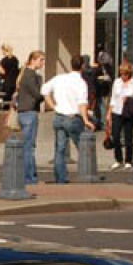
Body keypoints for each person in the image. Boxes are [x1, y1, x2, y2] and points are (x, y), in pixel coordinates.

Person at [41, 53, 93, 184]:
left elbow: (44, 90)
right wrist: (86, 120)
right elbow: (82, 103)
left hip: (59, 116)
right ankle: (87, 173)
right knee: (82, 146)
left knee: (60, 149)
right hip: (72, 116)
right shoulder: (81, 82)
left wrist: (53, 106)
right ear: (82, 66)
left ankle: (61, 177)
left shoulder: (60, 78)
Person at [14, 50, 46, 185]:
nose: (43, 63)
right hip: (29, 112)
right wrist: (44, 95)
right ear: (33, 60)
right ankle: (29, 177)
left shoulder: (24, 74)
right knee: (29, 147)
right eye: (41, 60)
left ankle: (31, 176)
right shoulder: (30, 75)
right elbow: (37, 94)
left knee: (28, 146)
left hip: (23, 112)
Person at [107, 62, 133, 169]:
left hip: (128, 113)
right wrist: (109, 113)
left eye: (126, 74)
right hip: (117, 111)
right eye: (122, 74)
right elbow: (113, 98)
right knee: (116, 135)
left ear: (130, 73)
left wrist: (129, 99)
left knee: (128, 137)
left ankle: (128, 160)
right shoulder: (117, 82)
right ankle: (118, 159)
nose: (123, 76)